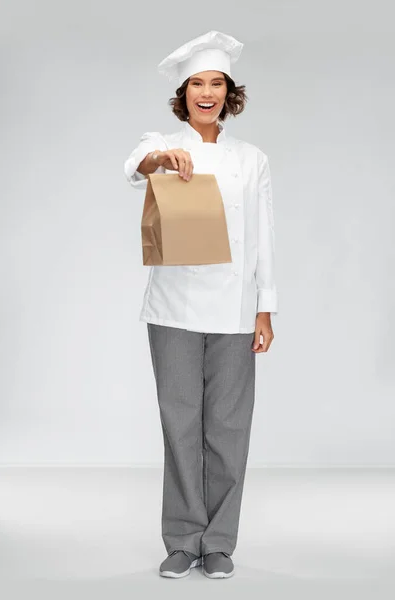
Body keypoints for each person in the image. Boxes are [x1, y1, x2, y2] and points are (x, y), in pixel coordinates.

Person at [124, 30, 278, 580]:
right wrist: (162, 158)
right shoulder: (163, 143)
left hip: (236, 309)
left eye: (216, 83)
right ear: (184, 93)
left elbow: (262, 234)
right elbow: (134, 164)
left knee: (229, 428)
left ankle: (219, 542)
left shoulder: (252, 159)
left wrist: (266, 306)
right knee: (181, 423)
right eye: (197, 84)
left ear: (228, 93)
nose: (206, 93)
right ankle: (182, 539)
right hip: (173, 309)